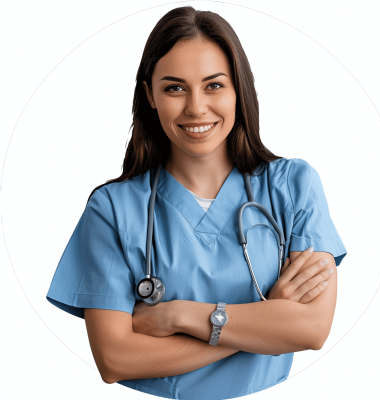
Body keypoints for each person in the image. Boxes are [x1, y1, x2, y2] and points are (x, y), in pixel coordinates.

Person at [45, 6, 347, 400]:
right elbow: (115, 359)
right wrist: (266, 321)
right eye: (174, 88)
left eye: (214, 85)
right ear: (149, 95)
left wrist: (179, 315)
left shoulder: (293, 185)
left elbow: (311, 329)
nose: (196, 108)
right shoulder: (112, 210)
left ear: (239, 88)